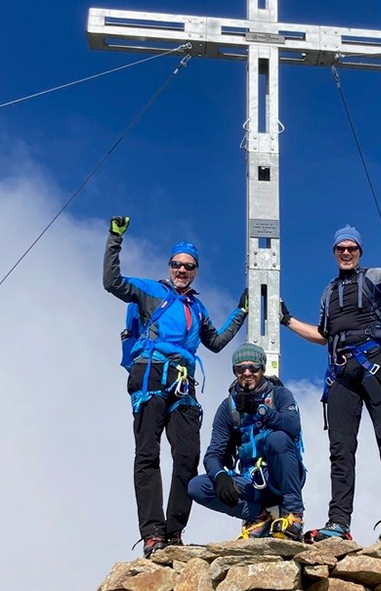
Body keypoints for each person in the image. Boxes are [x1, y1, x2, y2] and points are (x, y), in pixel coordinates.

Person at [103, 216, 248, 557]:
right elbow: (111, 282)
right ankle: (152, 532)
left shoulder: (197, 308)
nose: (182, 271)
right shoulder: (151, 292)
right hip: (151, 373)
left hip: (183, 381)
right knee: (147, 452)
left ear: (195, 271)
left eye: (189, 266)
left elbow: (214, 342)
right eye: (177, 265)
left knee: (187, 457)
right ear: (169, 266)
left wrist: (240, 312)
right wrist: (114, 239)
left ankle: (174, 530)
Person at [279, 222, 381, 542]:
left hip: (373, 363)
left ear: (359, 252)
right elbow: (323, 336)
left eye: (351, 248)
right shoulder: (328, 292)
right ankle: (339, 522)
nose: (346, 253)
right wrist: (287, 319)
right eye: (340, 249)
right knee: (341, 449)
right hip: (340, 373)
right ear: (335, 253)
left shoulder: (374, 277)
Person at [187, 343, 305, 541]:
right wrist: (220, 476)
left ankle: (294, 516)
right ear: (235, 372)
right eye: (240, 369)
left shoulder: (280, 395)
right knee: (197, 486)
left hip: (280, 478)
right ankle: (258, 517)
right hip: (250, 481)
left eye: (254, 368)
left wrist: (260, 410)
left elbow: (293, 425)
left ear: (263, 369)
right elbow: (213, 454)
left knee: (278, 438)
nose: (247, 373)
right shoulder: (227, 408)